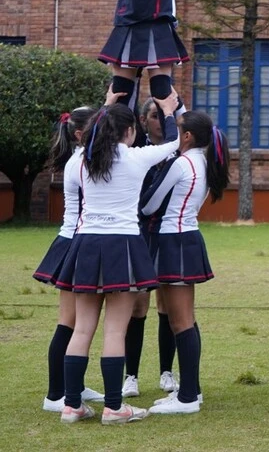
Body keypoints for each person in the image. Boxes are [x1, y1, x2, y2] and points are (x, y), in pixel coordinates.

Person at [54, 93, 181, 424]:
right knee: (114, 329)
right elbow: (174, 143)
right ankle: (113, 407)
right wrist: (168, 111)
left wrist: (108, 104)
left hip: (84, 243)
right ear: (129, 131)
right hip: (122, 244)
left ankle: (71, 406)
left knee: (82, 328)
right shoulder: (136, 157)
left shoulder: (81, 159)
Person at [139, 110, 230, 415]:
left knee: (181, 321)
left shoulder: (183, 162)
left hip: (173, 240)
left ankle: (188, 397)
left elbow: (150, 204)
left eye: (177, 130)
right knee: (185, 319)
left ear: (187, 136)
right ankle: (192, 390)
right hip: (186, 238)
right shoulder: (204, 161)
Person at [36, 106, 105, 412]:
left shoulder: (80, 156)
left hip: (75, 242)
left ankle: (72, 386)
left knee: (78, 322)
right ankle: (55, 395)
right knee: (69, 322)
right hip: (73, 242)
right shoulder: (82, 160)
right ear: (81, 133)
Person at [125, 98, 181, 400]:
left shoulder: (179, 153)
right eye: (153, 115)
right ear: (143, 121)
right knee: (137, 304)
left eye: (163, 116)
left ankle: (166, 371)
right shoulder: (137, 153)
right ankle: (130, 375)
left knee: (168, 305)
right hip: (141, 230)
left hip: (170, 232)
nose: (159, 120)